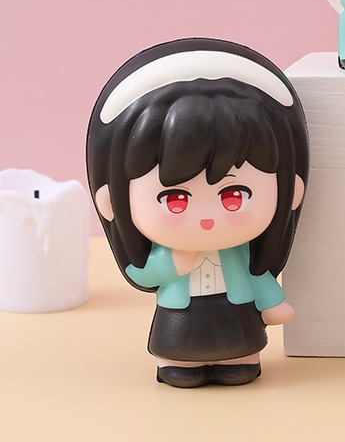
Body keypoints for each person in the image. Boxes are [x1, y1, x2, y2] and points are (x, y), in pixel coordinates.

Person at [86, 38, 308, 387]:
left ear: (290, 190)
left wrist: (272, 302)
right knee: (179, 351)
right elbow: (143, 274)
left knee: (240, 353)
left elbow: (258, 274)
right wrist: (169, 265)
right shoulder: (165, 254)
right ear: (111, 200)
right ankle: (178, 363)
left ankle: (239, 360)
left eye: (233, 196)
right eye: (175, 199)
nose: (207, 219)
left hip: (237, 315)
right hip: (179, 318)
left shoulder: (240, 252)